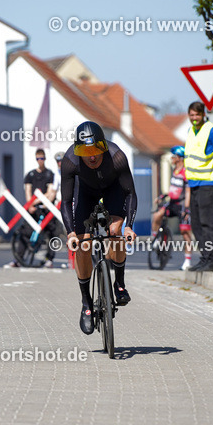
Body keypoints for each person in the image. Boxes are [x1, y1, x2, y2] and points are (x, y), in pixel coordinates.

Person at [61, 121, 137, 335]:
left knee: (115, 232)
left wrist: (128, 227)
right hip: (85, 193)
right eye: (85, 151)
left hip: (113, 190)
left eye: (95, 150)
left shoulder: (117, 157)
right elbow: (66, 202)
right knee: (83, 246)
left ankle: (119, 284)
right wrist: (70, 233)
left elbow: (130, 193)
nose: (91, 156)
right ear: (78, 150)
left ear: (103, 146)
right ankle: (86, 303)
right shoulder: (69, 161)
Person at [184, 101, 213, 273]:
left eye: (197, 115)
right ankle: (205, 258)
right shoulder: (190, 131)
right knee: (196, 225)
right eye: (191, 115)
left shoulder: (211, 131)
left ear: (203, 115)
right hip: (194, 184)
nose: (194, 118)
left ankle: (212, 260)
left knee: (208, 224)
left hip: (208, 184)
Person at [152, 146, 194, 269]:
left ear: (179, 158)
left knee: (185, 232)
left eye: (173, 156)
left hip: (181, 205)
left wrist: (186, 209)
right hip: (172, 202)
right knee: (157, 215)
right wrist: (162, 196)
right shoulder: (174, 170)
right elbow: (172, 190)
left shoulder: (185, 172)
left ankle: (187, 261)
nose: (171, 158)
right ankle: (155, 239)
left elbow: (187, 191)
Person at [24, 148, 59, 268]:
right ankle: (19, 259)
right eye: (38, 158)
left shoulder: (49, 174)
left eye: (42, 158)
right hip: (34, 208)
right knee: (26, 231)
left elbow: (50, 193)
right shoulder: (30, 174)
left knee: (51, 233)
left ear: (45, 159)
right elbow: (28, 190)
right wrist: (30, 204)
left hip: (46, 207)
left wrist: (36, 201)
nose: (40, 161)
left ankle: (50, 259)